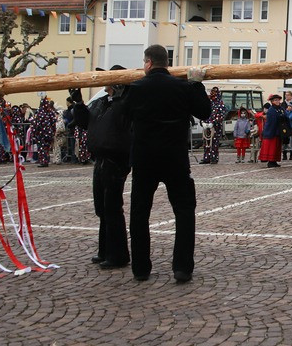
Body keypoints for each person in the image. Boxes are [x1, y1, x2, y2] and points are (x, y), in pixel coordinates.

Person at [122, 46, 210, 282]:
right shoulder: (182, 87)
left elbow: (124, 116)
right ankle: (182, 267)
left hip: (144, 158)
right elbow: (205, 112)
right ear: (166, 62)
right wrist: (197, 84)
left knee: (140, 213)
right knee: (184, 211)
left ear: (149, 63)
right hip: (174, 157)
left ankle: (140, 268)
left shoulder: (137, 88)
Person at [71, 66, 133, 270]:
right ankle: (105, 250)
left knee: (112, 207)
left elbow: (123, 118)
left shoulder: (124, 104)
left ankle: (118, 255)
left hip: (116, 159)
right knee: (101, 208)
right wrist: (78, 103)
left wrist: (122, 95)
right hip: (100, 159)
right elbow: (83, 123)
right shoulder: (100, 103)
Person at [259, 94, 288, 168]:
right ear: (272, 101)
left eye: (278, 100)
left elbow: (285, 116)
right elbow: (272, 122)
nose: (277, 101)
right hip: (272, 131)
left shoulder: (281, 109)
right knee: (272, 147)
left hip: (279, 131)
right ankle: (271, 161)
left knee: (277, 147)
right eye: (275, 100)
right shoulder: (271, 110)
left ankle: (274, 160)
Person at [200, 86, 227, 164]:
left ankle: (214, 158)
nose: (212, 94)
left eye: (214, 92)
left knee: (214, 143)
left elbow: (222, 115)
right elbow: (203, 112)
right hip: (207, 125)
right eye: (212, 92)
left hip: (215, 127)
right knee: (206, 142)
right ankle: (206, 158)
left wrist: (214, 122)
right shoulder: (208, 102)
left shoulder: (220, 104)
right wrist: (203, 122)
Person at [30, 97, 57, 167]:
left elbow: (37, 123)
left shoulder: (40, 112)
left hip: (42, 134)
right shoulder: (50, 112)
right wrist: (53, 131)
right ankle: (45, 160)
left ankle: (44, 161)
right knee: (46, 148)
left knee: (42, 148)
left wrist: (34, 131)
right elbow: (53, 122)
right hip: (48, 133)